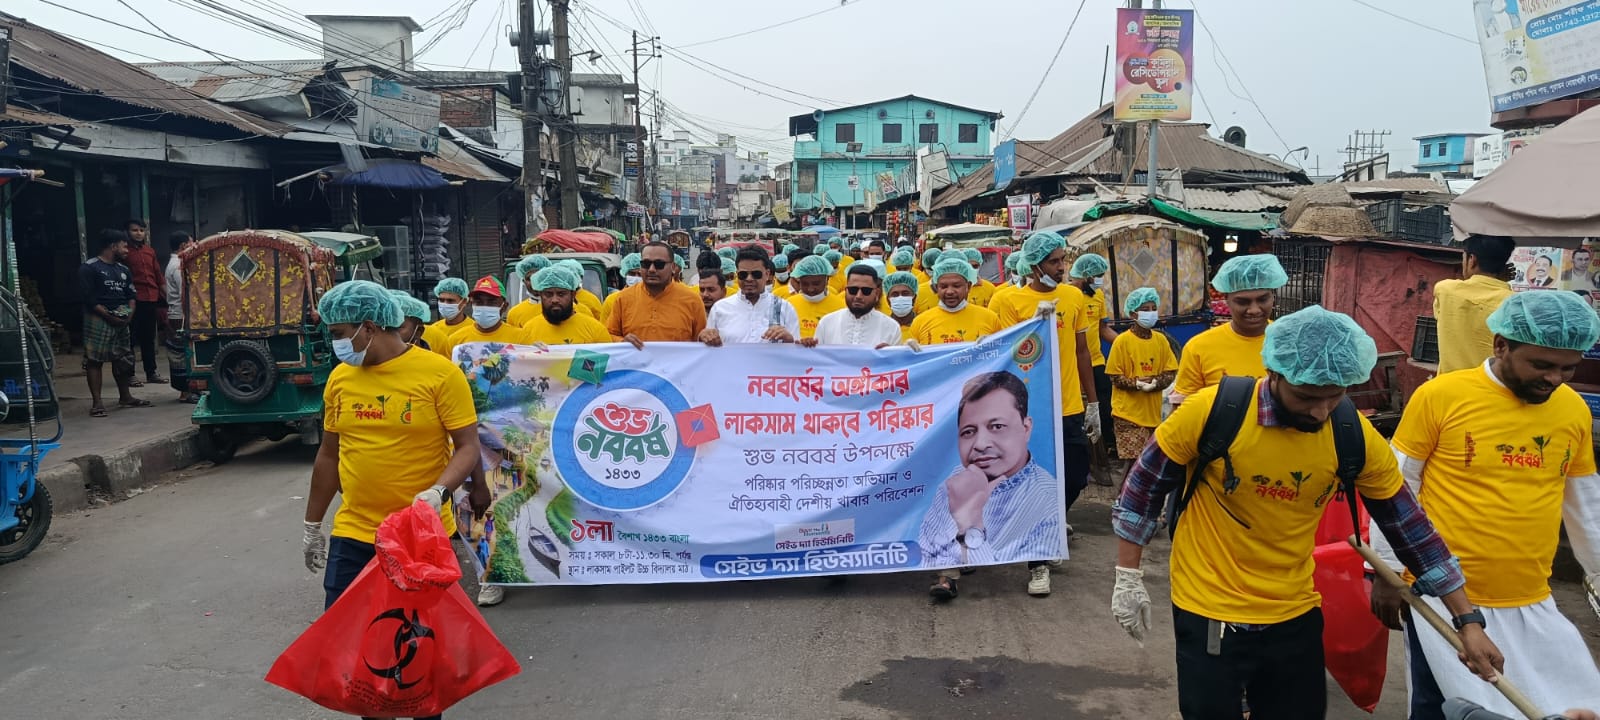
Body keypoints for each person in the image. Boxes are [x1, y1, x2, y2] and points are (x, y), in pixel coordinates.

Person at [1111, 305, 1504, 720]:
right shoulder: (1211, 413)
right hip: (1209, 609)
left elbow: (1411, 529)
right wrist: (1128, 578)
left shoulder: (1352, 434)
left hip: (1295, 610)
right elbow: (1141, 492)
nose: (1320, 411)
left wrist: (1468, 621)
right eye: (1307, 397)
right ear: (1274, 373)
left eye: (1335, 396)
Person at [1370, 291, 1600, 719]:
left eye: (1567, 368)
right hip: (1442, 596)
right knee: (1443, 708)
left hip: (1531, 596)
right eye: (1542, 365)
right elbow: (1396, 487)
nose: (1555, 379)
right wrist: (1386, 571)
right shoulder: (1441, 396)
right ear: (1501, 345)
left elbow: (1585, 502)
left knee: (1565, 705)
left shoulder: (1573, 410)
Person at [301, 282, 488, 720]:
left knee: (418, 654)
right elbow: (329, 455)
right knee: (360, 654)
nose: (335, 343)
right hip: (355, 534)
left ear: (368, 327)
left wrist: (439, 491)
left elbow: (467, 446)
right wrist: (312, 524)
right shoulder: (341, 378)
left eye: (340, 332)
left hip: (419, 537)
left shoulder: (438, 374)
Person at [988, 230, 1099, 595]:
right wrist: (1033, 328)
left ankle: (1051, 523)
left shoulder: (1073, 297)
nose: (1061, 267)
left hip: (1068, 405)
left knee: (1077, 475)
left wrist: (1093, 402)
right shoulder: (1009, 300)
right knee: (1034, 481)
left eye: (1063, 260)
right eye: (1054, 261)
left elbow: (1082, 351)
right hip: (1029, 407)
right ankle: (1037, 562)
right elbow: (1004, 354)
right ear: (1034, 265)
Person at [918, 371, 1064, 600]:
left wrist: (970, 524)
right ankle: (948, 574)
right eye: (968, 431)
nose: (980, 444)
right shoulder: (955, 480)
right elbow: (927, 548)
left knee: (1039, 549)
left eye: (996, 426)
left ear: (1026, 428)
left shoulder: (1046, 496)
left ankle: (1039, 566)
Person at [1171, 254, 1287, 404]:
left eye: (1262, 299)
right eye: (1243, 302)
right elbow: (1183, 408)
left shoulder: (1289, 342)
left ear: (1273, 297)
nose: (1254, 310)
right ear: (1226, 300)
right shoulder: (1199, 348)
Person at [79, 229, 150, 417]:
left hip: (122, 318)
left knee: (123, 358)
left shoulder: (123, 270)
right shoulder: (89, 268)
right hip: (98, 318)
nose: (127, 250)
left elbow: (131, 296)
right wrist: (108, 316)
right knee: (94, 360)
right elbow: (89, 298)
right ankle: (97, 403)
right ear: (113, 246)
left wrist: (129, 315)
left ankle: (125, 396)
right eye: (124, 246)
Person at [1105, 287, 1177, 468]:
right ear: (1133, 314)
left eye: (1154, 308)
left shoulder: (1161, 341)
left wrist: (1156, 382)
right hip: (1127, 415)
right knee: (1134, 464)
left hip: (1152, 415)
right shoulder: (1122, 341)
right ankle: (1125, 488)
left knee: (1147, 465)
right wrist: (1136, 383)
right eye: (1145, 309)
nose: (1151, 313)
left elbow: (1170, 372)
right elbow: (1115, 377)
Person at [1434, 235, 1516, 374]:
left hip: (1449, 384)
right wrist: (1499, 280)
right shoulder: (1513, 303)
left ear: (1472, 260)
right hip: (1490, 385)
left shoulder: (1444, 290)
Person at [1068, 253, 1120, 457]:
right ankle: (1085, 452)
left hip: (1096, 360)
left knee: (1104, 407)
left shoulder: (1097, 296)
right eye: (1098, 275)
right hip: (1073, 363)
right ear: (1086, 275)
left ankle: (1108, 448)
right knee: (1079, 409)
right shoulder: (1067, 296)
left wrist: (1125, 343)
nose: (1100, 280)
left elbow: (1102, 329)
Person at [607, 241, 707, 347]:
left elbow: (701, 341)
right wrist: (622, 342)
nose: (651, 270)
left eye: (659, 264)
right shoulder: (623, 298)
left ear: (673, 267)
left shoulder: (692, 300)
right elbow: (609, 335)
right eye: (646, 264)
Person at [702, 247, 799, 346]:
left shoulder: (785, 308)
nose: (749, 279)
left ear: (767, 274)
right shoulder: (720, 309)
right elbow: (709, 348)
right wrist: (704, 337)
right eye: (743, 274)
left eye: (756, 274)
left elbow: (797, 350)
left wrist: (788, 339)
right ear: (737, 274)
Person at [909, 257, 1002, 347]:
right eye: (944, 286)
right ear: (936, 288)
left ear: (968, 286)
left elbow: (1003, 351)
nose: (950, 291)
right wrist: (908, 351)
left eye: (956, 286)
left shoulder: (989, 319)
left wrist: (991, 347)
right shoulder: (920, 322)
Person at [808, 264, 901, 348]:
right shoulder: (827, 323)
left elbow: (897, 361)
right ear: (846, 290)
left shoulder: (891, 328)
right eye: (853, 290)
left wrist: (889, 355)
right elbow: (817, 359)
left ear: (876, 293)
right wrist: (806, 347)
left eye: (866, 291)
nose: (858, 296)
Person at [521, 265, 615, 345]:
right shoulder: (529, 330)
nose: (554, 300)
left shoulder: (595, 330)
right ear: (541, 295)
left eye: (561, 294)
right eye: (548, 294)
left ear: (573, 294)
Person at [439, 276, 528, 359]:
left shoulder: (521, 338)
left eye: (491, 302)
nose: (484, 306)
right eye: (479, 302)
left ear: (504, 306)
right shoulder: (455, 340)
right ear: (472, 304)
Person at [122, 219, 164, 386]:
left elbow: (158, 275)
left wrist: (167, 295)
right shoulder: (124, 252)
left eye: (141, 230)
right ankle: (129, 374)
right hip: (132, 300)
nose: (138, 233)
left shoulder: (149, 251)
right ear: (127, 232)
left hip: (151, 298)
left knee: (149, 338)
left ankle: (151, 372)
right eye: (134, 230)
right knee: (130, 339)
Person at [163, 231, 198, 403]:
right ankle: (185, 391)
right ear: (183, 245)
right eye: (191, 243)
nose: (194, 246)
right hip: (180, 314)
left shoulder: (177, 263)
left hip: (179, 313)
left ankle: (189, 389)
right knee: (182, 352)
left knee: (184, 351)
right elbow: (184, 292)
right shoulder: (177, 265)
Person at [786, 255, 846, 340]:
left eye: (816, 284)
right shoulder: (789, 305)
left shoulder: (841, 307)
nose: (810, 289)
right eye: (805, 284)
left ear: (827, 280)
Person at [427, 278, 471, 357]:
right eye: (441, 300)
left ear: (464, 302)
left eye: (450, 301)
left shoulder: (473, 329)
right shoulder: (433, 329)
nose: (445, 304)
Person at [506, 255, 552, 327]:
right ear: (523, 282)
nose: (534, 282)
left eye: (538, 277)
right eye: (529, 279)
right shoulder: (514, 313)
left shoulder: (561, 308)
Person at [601, 252, 643, 323]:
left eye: (640, 274)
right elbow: (603, 327)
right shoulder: (612, 300)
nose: (636, 277)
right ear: (625, 274)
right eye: (632, 274)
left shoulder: (651, 299)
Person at [884, 270, 920, 342]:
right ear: (888, 300)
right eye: (895, 294)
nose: (900, 297)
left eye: (905, 293)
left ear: (914, 298)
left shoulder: (923, 325)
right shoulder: (882, 327)